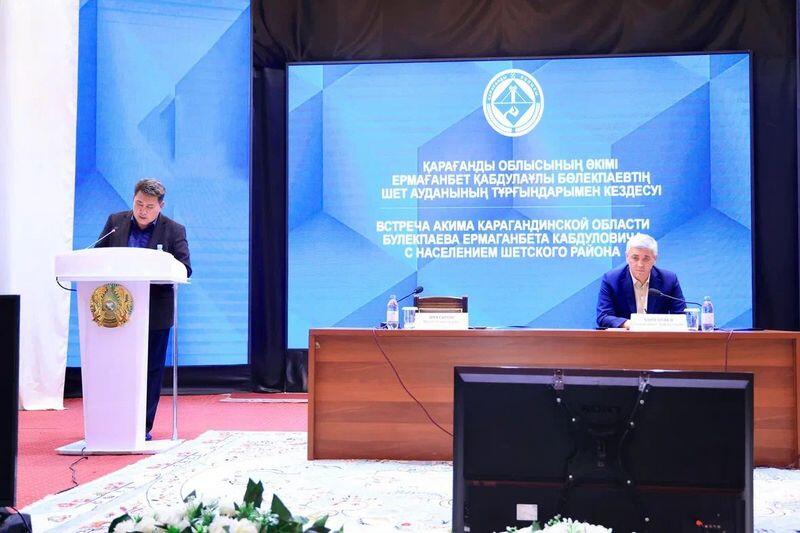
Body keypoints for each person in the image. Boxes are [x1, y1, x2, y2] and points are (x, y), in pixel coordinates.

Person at [96, 178, 191, 440]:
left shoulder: (174, 230)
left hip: (154, 312)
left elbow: (185, 268)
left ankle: (141, 426)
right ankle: (111, 422)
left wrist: (161, 267)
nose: (142, 211)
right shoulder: (115, 223)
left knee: (150, 370)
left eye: (149, 206)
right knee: (115, 367)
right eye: (138, 204)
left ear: (161, 206)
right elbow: (97, 256)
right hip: (116, 310)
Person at [596, 233, 684, 329]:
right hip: (625, 336)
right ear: (627, 257)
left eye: (646, 259)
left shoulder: (669, 280)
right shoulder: (611, 280)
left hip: (658, 337)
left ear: (655, 259)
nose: (640, 264)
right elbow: (603, 316)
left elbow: (682, 315)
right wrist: (629, 324)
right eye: (635, 258)